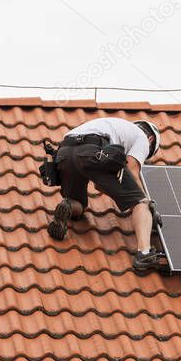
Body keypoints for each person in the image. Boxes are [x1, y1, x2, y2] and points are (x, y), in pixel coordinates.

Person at [48, 116, 163, 274]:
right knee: (141, 204)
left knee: (78, 204)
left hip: (64, 153)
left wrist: (120, 195)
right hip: (95, 153)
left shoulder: (113, 126)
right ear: (151, 139)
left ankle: (67, 206)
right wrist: (147, 203)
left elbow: (99, 184)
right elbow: (131, 167)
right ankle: (144, 253)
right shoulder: (142, 138)